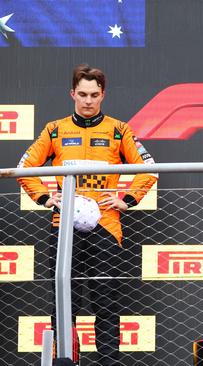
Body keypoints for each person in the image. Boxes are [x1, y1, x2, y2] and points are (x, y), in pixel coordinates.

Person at [17, 64, 157, 365]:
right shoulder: (54, 129)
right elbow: (24, 168)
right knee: (64, 303)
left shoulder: (120, 130)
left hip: (106, 225)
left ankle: (108, 362)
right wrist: (45, 197)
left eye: (94, 94)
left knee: (106, 302)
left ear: (103, 95)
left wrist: (126, 199)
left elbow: (150, 168)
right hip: (63, 225)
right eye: (82, 94)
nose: (88, 101)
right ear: (72, 94)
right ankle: (66, 359)